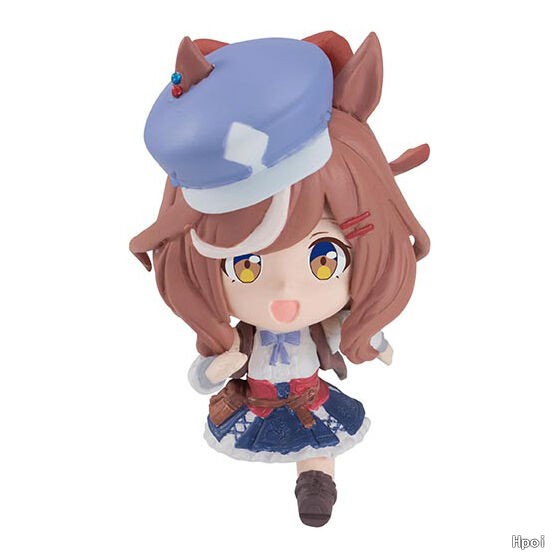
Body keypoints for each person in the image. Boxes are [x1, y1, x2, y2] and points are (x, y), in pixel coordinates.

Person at [130, 31, 430, 527]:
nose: (287, 292)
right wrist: (217, 368)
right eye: (246, 266)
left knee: (317, 447)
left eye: (324, 260)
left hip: (310, 397)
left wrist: (371, 337)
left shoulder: (323, 322)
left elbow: (344, 331)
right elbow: (201, 376)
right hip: (259, 403)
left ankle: (316, 483)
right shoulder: (241, 336)